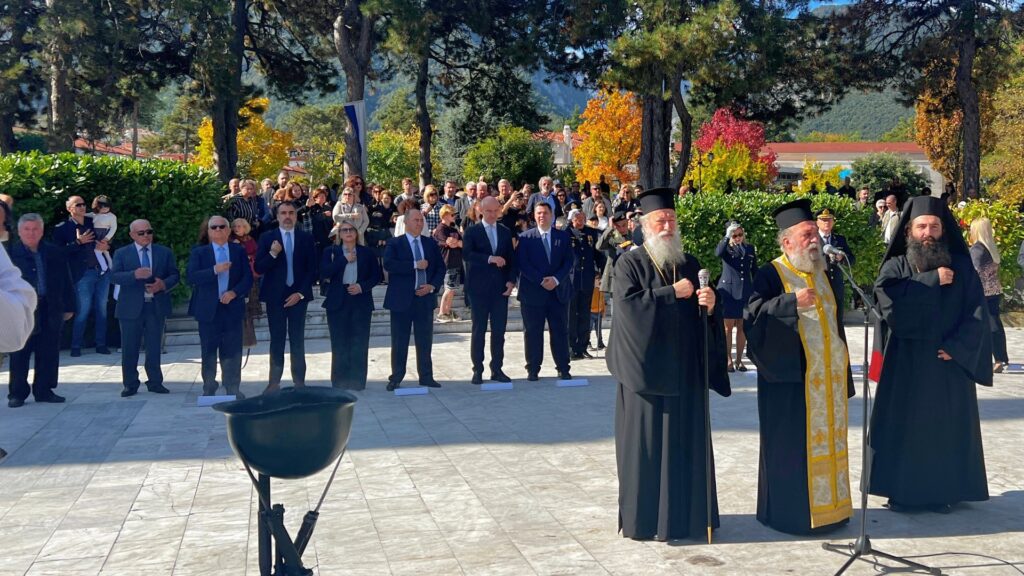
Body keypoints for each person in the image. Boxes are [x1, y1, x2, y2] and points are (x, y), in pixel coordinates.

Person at [607, 187, 730, 541]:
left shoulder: (688, 263)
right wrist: (670, 293)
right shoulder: (629, 264)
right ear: (645, 226)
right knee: (646, 452)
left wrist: (710, 305)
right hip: (647, 376)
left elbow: (705, 314)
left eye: (672, 220)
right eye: (661, 221)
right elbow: (628, 310)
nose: (668, 227)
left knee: (686, 450)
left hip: (686, 374)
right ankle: (646, 521)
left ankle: (689, 519)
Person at [869, 196, 992, 513]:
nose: (928, 233)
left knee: (943, 430)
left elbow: (977, 313)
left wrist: (958, 348)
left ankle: (942, 494)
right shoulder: (897, 266)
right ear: (909, 230)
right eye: (921, 226)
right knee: (906, 430)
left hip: (946, 364)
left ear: (943, 230)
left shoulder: (961, 266)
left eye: (934, 226)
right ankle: (903, 494)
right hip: (906, 364)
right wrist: (931, 280)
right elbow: (887, 304)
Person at [744, 198, 854, 535]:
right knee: (792, 450)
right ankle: (793, 516)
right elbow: (752, 317)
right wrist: (790, 301)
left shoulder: (825, 272)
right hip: (791, 383)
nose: (813, 241)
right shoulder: (771, 273)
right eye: (806, 235)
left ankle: (834, 512)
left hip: (827, 383)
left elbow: (835, 323)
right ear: (787, 241)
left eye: (814, 235)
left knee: (832, 443)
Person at [7, 214, 73, 407]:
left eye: (35, 229)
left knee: (48, 351)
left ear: (42, 231)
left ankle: (44, 390)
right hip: (21, 310)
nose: (31, 233)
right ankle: (17, 393)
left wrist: (69, 306)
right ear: (19, 232)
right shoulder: (9, 255)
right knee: (20, 353)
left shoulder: (54, 252)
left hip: (49, 307)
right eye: (27, 229)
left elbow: (66, 280)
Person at [110, 219, 179, 397]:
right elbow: (114, 276)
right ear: (132, 235)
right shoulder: (122, 253)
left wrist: (162, 285)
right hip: (130, 307)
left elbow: (175, 275)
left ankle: (155, 382)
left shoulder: (164, 252)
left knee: (154, 346)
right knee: (129, 347)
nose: (146, 236)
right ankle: (130, 384)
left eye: (149, 231)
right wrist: (134, 274)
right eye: (141, 233)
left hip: (155, 305)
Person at [187, 216, 253, 398]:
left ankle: (232, 387)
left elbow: (247, 278)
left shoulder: (238, 251)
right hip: (208, 309)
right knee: (208, 350)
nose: (218, 230)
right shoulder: (199, 252)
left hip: (232, 308)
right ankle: (209, 386)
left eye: (222, 226)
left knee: (232, 350)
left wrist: (234, 292)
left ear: (228, 230)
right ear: (208, 231)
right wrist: (214, 270)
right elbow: (191, 277)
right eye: (214, 227)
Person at [255, 202, 317, 394]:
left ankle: (300, 382)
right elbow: (259, 268)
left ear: (296, 216)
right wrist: (273, 253)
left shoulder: (306, 238)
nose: (287, 216)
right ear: (277, 216)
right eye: (283, 213)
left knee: (297, 340)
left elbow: (312, 269)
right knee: (277, 340)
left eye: (291, 213)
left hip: (298, 296)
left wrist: (300, 293)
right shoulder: (267, 238)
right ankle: (274, 382)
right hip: (275, 298)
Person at [383, 209, 445, 391]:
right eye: (416, 220)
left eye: (421, 220)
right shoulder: (395, 243)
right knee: (399, 341)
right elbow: (389, 264)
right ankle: (396, 377)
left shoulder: (430, 243)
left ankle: (426, 376)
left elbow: (440, 268)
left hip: (424, 298)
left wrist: (432, 286)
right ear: (406, 222)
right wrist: (414, 265)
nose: (419, 223)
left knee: (425, 340)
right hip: (401, 300)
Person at [516, 202, 573, 381]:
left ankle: (563, 368)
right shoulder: (525, 238)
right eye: (538, 213)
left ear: (552, 214)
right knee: (532, 332)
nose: (542, 216)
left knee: (560, 331)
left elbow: (569, 261)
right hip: (533, 293)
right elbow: (523, 263)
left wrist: (555, 279)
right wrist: (541, 280)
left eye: (545, 213)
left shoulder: (563, 237)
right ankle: (533, 369)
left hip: (558, 293)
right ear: (534, 216)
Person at [321, 222, 381, 390]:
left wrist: (362, 286)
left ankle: (357, 381)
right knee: (339, 342)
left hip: (360, 299)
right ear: (339, 234)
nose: (348, 232)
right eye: (344, 230)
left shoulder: (366, 252)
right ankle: (339, 381)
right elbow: (324, 272)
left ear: (356, 233)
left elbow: (376, 275)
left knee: (359, 342)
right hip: (337, 300)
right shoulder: (331, 251)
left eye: (351, 230)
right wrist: (343, 260)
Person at [462, 197, 516, 384]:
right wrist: (489, 259)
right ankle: (477, 369)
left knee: (499, 331)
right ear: (481, 211)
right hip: (478, 289)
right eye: (489, 211)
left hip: (500, 289)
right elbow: (467, 254)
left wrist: (511, 281)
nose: (492, 215)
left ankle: (497, 369)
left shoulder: (505, 231)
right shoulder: (472, 231)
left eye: (495, 211)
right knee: (479, 330)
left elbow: (511, 258)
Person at [52, 195, 111, 356]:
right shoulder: (63, 228)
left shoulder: (94, 222)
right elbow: (57, 253)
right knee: (82, 311)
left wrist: (107, 245)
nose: (82, 207)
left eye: (84, 204)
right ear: (69, 208)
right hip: (83, 274)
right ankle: (76, 346)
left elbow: (107, 239)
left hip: (102, 270)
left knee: (102, 310)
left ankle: (101, 344)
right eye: (78, 205)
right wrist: (78, 242)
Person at [715, 221, 756, 372]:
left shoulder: (749, 248)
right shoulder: (726, 248)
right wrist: (727, 237)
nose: (738, 237)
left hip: (745, 291)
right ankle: (728, 359)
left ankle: (739, 360)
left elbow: (754, 269)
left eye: (740, 234)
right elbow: (718, 253)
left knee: (742, 327)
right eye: (735, 235)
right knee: (728, 328)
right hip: (729, 292)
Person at [969, 218, 1008, 373]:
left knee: (981, 324)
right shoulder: (991, 248)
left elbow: (974, 271)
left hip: (981, 292)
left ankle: (991, 358)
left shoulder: (977, 249)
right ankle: (1000, 358)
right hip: (994, 291)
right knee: (995, 324)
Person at [567, 209, 603, 360]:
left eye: (582, 218)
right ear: (572, 220)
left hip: (587, 279)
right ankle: (571, 347)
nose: (580, 221)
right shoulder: (566, 233)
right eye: (577, 219)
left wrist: (601, 271)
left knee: (585, 314)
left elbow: (598, 254)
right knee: (571, 315)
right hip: (571, 280)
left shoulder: (591, 233)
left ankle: (582, 347)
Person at [816, 209, 856, 321]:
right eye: (823, 220)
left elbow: (851, 260)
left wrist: (842, 258)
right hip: (819, 284)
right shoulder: (813, 239)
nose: (827, 222)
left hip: (836, 285)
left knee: (837, 319)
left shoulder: (839, 239)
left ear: (833, 222)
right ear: (817, 222)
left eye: (829, 219)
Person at [230, 219, 262, 349]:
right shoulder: (230, 240)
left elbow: (257, 254)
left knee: (249, 309)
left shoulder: (250, 240)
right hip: (237, 276)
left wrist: (249, 256)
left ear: (245, 227)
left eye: (239, 226)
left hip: (250, 276)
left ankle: (249, 338)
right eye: (234, 226)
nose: (236, 228)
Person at [432, 205, 463, 322]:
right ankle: (441, 313)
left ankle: (447, 311)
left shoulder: (453, 229)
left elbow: (463, 243)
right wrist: (456, 243)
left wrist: (456, 242)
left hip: (456, 261)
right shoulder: (440, 229)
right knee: (449, 288)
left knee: (452, 289)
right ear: (445, 215)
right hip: (447, 261)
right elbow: (448, 243)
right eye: (452, 214)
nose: (454, 216)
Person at [89, 195, 117, 271]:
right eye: (101, 206)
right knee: (104, 252)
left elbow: (113, 228)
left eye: (106, 206)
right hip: (96, 235)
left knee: (102, 251)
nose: (104, 208)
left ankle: (106, 267)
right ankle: (109, 267)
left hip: (104, 235)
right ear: (96, 207)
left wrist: (107, 238)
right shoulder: (94, 214)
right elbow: (85, 215)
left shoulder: (112, 216)